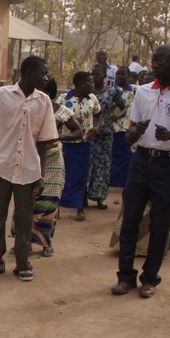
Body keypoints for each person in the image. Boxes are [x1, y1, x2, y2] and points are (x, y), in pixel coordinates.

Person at [112, 44, 170, 299]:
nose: (155, 65)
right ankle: (125, 276)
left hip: (169, 163)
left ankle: (150, 278)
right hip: (141, 161)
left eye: (161, 60)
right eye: (153, 60)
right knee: (130, 220)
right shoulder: (142, 92)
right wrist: (134, 133)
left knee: (160, 223)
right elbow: (130, 135)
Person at [0, 55, 59, 281]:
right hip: (2, 166)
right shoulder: (1, 95)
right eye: (43, 73)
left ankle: (23, 264)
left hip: (28, 169)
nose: (45, 77)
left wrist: (40, 175)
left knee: (24, 219)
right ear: (28, 72)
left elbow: (43, 141)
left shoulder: (44, 101)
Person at [17, 91, 84, 257]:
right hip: (30, 157)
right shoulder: (27, 108)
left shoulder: (61, 111)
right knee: (25, 199)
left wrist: (57, 136)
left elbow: (78, 131)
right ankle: (24, 242)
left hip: (53, 160)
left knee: (49, 201)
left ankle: (46, 244)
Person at [57, 71, 101, 221]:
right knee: (64, 175)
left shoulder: (93, 99)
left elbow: (97, 115)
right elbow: (56, 120)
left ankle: (80, 207)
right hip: (67, 144)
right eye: (91, 82)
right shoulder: (64, 99)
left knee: (82, 176)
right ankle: (58, 206)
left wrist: (96, 128)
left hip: (84, 144)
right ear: (82, 84)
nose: (93, 85)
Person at [88, 64, 126, 209]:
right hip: (90, 134)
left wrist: (117, 116)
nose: (94, 77)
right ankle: (83, 197)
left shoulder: (113, 92)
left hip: (105, 134)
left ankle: (100, 198)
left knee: (103, 165)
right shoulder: (87, 92)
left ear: (104, 75)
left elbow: (123, 107)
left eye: (97, 74)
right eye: (93, 74)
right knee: (88, 165)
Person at [110, 70, 137, 188]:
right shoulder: (111, 90)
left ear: (128, 76)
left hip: (126, 127)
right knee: (113, 155)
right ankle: (112, 180)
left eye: (123, 74)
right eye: (118, 74)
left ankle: (122, 181)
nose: (120, 76)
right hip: (112, 127)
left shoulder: (134, 91)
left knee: (125, 155)